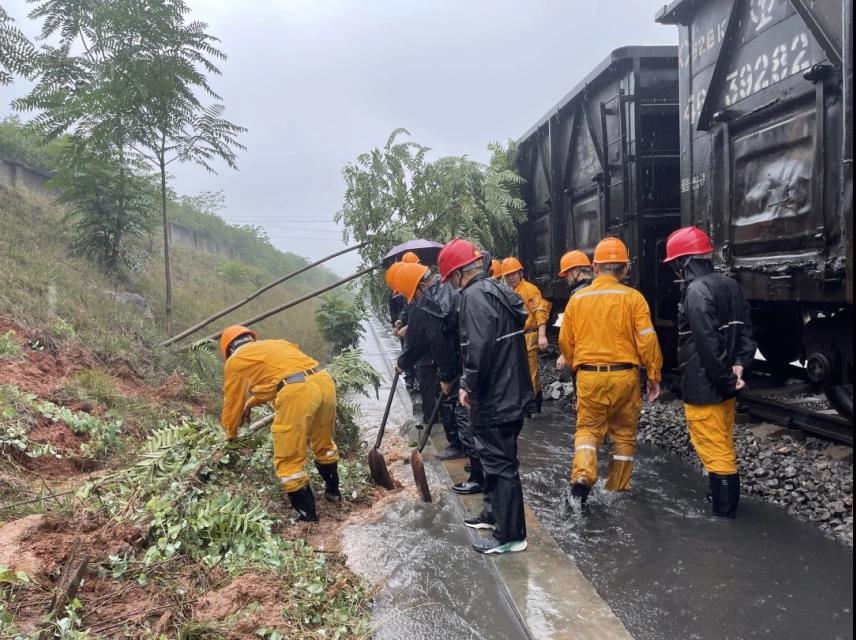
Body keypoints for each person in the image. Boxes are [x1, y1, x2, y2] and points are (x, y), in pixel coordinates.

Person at [439, 238, 533, 555]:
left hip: (496, 397)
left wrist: (467, 384)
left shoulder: (474, 296)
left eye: (450, 277)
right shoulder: (495, 289)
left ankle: (510, 535)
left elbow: (478, 348)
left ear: (458, 273)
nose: (452, 284)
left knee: (500, 464)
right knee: (495, 460)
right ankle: (493, 515)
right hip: (510, 391)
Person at [558, 237, 662, 507]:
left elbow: (565, 342)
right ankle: (616, 490)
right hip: (625, 376)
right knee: (624, 433)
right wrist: (653, 375)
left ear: (595, 267)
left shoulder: (577, 299)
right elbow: (647, 340)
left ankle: (581, 480)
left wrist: (577, 365)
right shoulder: (634, 298)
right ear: (626, 269)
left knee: (588, 430)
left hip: (589, 376)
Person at [664, 226, 756, 519]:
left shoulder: (695, 291)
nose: (676, 269)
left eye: (676, 263)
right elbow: (746, 332)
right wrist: (739, 366)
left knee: (717, 453)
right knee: (722, 443)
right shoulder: (731, 285)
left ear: (684, 261)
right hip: (726, 386)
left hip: (705, 388)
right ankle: (719, 498)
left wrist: (726, 380)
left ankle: (724, 517)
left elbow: (707, 343)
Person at [218, 325, 339, 523]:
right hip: (324, 382)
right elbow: (279, 380)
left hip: (298, 392)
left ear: (228, 350)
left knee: (289, 461)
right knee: (323, 444)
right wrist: (250, 403)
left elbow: (232, 403)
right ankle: (333, 493)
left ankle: (308, 519)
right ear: (251, 339)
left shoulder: (235, 360)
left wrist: (230, 435)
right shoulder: (275, 344)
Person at [393, 262, 484, 486]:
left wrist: (446, 377)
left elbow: (435, 343)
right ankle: (476, 462)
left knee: (463, 414)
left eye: (414, 296)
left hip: (462, 362)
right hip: (468, 358)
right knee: (469, 413)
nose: (414, 302)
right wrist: (404, 362)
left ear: (422, 286)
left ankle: (478, 476)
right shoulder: (446, 290)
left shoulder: (431, 303)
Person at [500, 257, 552, 414]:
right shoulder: (507, 291)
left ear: (520, 273)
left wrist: (542, 335)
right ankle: (528, 404)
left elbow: (540, 312)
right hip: (516, 337)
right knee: (520, 372)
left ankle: (533, 407)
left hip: (529, 336)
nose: (511, 278)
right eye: (508, 275)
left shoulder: (530, 289)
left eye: (513, 274)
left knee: (530, 372)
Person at [555, 250, 593, 372]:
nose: (566, 278)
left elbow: (573, 331)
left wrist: (565, 356)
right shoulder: (597, 286)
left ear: (576, 271)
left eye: (566, 273)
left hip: (586, 359)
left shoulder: (578, 295)